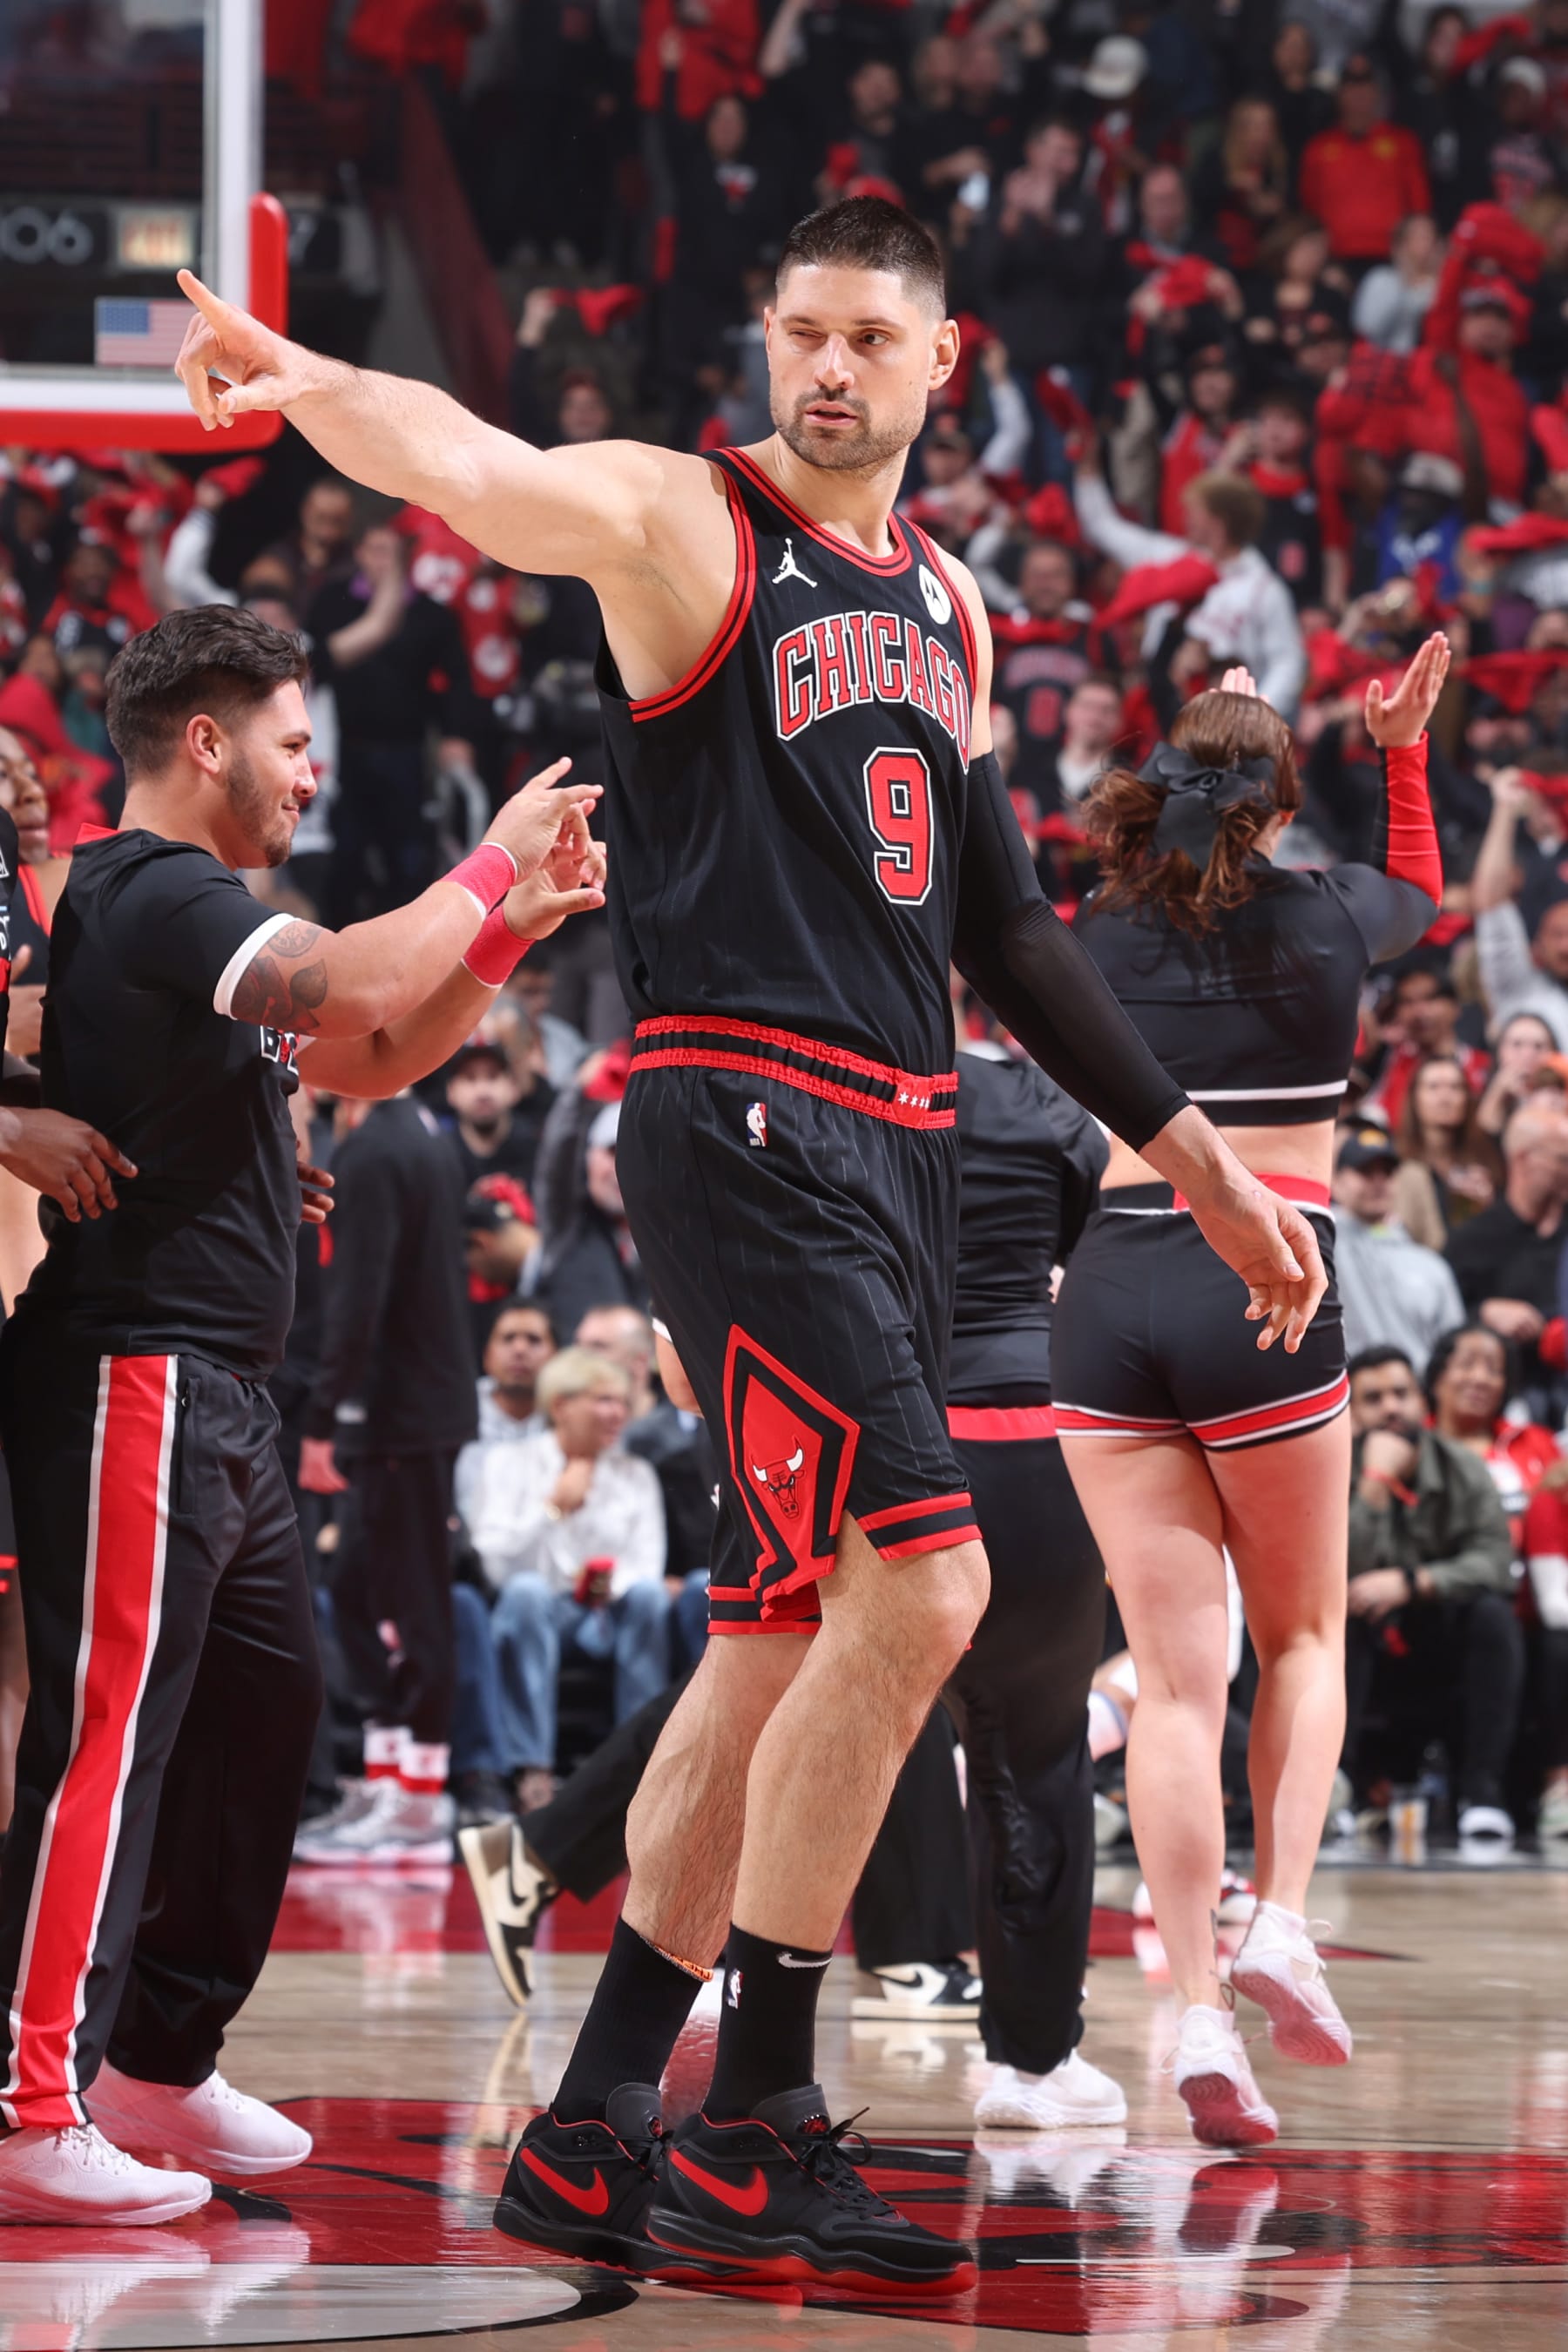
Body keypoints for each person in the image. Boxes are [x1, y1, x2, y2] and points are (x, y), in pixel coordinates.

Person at [173, 194, 1323, 2294]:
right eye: (803, 330)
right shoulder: (685, 524)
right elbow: (485, 467)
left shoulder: (955, 607)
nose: (829, 369)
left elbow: (1007, 927)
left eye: (871, 339)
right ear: (765, 338)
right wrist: (316, 383)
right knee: (942, 1579)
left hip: (894, 1141)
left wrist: (1202, 1158)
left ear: (941, 359)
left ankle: (606, 2123)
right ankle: (759, 2109)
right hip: (740, 1111)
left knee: (785, 1632)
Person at [0, 605, 604, 2225]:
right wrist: (482, 862)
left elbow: (386, 1045)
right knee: (106, 1751)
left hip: (229, 1396)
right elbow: (346, 979)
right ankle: (24, 2098)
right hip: (140, 1365)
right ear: (206, 742)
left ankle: (154, 2064)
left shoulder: (201, 919)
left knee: (272, 1728)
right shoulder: (156, 892)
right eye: (288, 737)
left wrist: (505, 934)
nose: (309, 767)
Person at [1053, 637, 1449, 2148]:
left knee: (1170, 1684)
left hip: (1108, 1296)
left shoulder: (1086, 941)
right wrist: (1400, 748)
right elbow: (1417, 887)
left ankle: (1201, 2009)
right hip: (1266, 1284)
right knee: (1301, 1632)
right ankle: (1280, 1918)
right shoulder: (1338, 919)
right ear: (1283, 813)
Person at [289, 1079, 478, 1866]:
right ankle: (389, 1776)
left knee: (406, 1597)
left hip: (398, 1410)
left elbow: (357, 1300)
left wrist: (327, 1417)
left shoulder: (371, 1152)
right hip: (419, 1402)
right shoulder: (425, 1135)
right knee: (364, 1591)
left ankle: (420, 1798)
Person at [467, 1345, 668, 1810]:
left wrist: (603, 1586)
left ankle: (638, 1770)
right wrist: (554, 1508)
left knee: (650, 1597)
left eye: (621, 1401)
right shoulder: (508, 1463)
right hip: (538, 1613)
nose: (618, 1412)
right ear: (561, 1405)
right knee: (526, 1593)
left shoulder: (637, 1473)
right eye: (603, 1400)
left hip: (610, 1613)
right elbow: (495, 1563)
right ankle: (532, 1768)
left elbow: (647, 1562)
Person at [1344, 1347, 1521, 1845]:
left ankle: (1482, 1795)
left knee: (1493, 1616)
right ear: (1352, 1413)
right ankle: (1336, 1791)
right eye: (1373, 1399)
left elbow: (1494, 1562)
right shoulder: (1330, 1470)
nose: (1391, 1409)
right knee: (1331, 1617)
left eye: (1401, 1394)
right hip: (1365, 1650)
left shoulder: (1464, 1468)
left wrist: (1411, 1582)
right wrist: (1376, 1485)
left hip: (1439, 1647)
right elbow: (1336, 1571)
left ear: (1422, 1401)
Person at [1444, 1104, 1568, 1411]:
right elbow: (1442, 1325)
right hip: (1503, 1403)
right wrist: (1483, 1314)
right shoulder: (1472, 1240)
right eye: (1562, 1159)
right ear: (1524, 1159)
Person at [1332, 1125, 1467, 1365]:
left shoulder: (1430, 1264)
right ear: (1337, 1181)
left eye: (1387, 1172)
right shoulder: (1325, 1241)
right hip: (1350, 1391)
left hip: (1416, 1393)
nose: (1378, 1182)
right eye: (1365, 1171)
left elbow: (1453, 1349)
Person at [1392, 1054, 1501, 1247]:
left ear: (1467, 1098)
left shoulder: (1485, 1158)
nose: (1445, 1098)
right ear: (1414, 1098)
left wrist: (1487, 1209)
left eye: (1455, 1087)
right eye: (1433, 1087)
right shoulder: (1397, 1163)